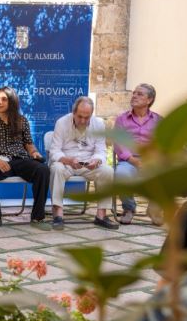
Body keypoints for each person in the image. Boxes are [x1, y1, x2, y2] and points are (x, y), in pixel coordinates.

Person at [0, 86, 51, 231]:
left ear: (12, 102)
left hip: (20, 160)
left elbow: (29, 144)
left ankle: (37, 217)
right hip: (0, 161)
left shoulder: (21, 120)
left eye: (4, 99)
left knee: (43, 170)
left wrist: (35, 153)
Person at [49, 96, 119, 230]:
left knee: (107, 171)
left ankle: (101, 215)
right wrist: (67, 160)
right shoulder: (61, 123)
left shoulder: (98, 124)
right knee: (56, 168)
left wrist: (97, 160)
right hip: (67, 163)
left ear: (91, 115)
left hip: (88, 163)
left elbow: (101, 150)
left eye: (87, 118)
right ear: (73, 112)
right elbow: (54, 151)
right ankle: (58, 214)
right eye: (80, 116)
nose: (83, 121)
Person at [114, 83, 163, 225]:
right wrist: (134, 161)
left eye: (139, 94)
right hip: (128, 160)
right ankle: (129, 209)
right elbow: (119, 144)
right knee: (122, 174)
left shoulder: (159, 120)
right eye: (134, 93)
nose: (134, 95)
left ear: (149, 100)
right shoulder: (121, 119)